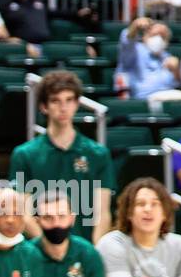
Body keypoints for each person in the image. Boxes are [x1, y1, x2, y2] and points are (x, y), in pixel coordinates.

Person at [11, 70, 114, 243]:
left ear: (77, 104)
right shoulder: (24, 155)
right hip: (40, 255)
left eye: (69, 100)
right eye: (55, 101)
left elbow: (102, 214)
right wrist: (52, 248)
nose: (63, 107)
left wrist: (91, 253)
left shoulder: (98, 154)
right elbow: (25, 214)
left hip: (85, 251)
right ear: (44, 106)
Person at [113, 17, 181, 100]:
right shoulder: (135, 50)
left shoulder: (167, 57)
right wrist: (135, 26)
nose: (158, 39)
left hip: (167, 99)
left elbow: (177, 84)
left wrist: (176, 71)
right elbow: (127, 40)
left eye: (162, 36)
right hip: (141, 101)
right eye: (155, 35)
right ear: (145, 36)